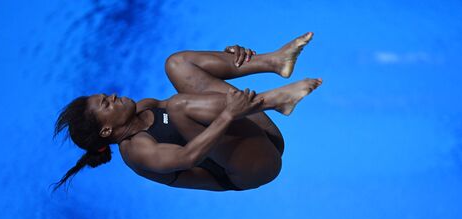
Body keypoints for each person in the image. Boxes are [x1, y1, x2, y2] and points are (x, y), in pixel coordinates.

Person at [52, 32, 322, 192]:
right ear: (107, 130)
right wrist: (229, 114)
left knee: (176, 64)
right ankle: (273, 100)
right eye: (106, 104)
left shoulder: (145, 107)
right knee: (179, 107)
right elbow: (188, 156)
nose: (112, 96)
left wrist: (228, 57)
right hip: (253, 167)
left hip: (256, 133)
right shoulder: (136, 151)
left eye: (105, 96)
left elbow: (200, 91)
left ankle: (273, 61)